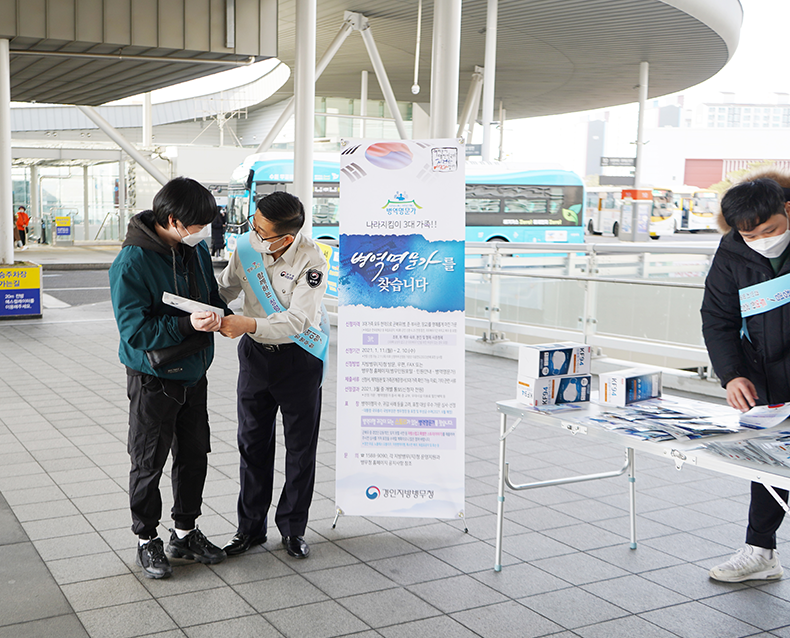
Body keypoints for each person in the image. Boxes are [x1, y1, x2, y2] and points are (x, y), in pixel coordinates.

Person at [109, 177, 230, 579]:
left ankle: (184, 531)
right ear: (174, 220)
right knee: (148, 462)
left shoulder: (189, 250)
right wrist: (185, 325)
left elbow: (210, 295)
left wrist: (217, 313)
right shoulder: (131, 262)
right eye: (197, 226)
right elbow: (136, 332)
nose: (202, 234)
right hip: (153, 378)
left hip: (194, 371)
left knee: (194, 456)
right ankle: (147, 539)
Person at [217, 191, 328, 559]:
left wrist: (246, 322)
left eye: (262, 230)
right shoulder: (248, 246)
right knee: (252, 446)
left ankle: (293, 530)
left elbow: (299, 322)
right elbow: (226, 287)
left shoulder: (312, 260)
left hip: (299, 360)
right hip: (254, 358)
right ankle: (249, 529)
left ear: (286, 238)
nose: (254, 233)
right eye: (254, 224)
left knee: (299, 450)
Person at [702, 175, 790, 583]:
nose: (761, 239)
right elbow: (718, 319)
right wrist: (732, 375)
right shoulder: (733, 250)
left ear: (787, 210)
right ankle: (760, 552)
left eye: (769, 230)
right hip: (767, 377)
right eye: (750, 234)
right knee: (770, 465)